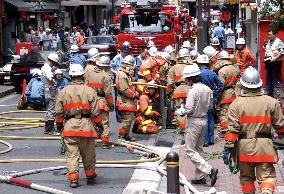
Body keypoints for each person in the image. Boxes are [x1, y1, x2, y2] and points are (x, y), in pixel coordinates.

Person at [224, 67, 284, 194]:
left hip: (244, 148)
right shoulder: (271, 102)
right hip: (265, 148)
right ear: (259, 84)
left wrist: (228, 148)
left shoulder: (236, 104)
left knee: (246, 178)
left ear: (243, 85)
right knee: (267, 177)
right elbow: (281, 127)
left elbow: (233, 131)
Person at [55, 63, 99, 188]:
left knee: (72, 155)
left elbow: (58, 113)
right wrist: (99, 126)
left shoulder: (63, 92)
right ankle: (90, 176)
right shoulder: (90, 91)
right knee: (89, 154)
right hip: (86, 127)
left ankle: (73, 179)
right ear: (83, 76)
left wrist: (59, 127)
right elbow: (95, 113)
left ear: (70, 76)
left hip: (69, 128)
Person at [175, 65, 218, 186]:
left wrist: (180, 111)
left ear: (190, 79)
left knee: (190, 150)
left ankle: (209, 170)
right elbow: (210, 106)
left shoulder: (193, 90)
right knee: (199, 150)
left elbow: (188, 108)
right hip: (204, 120)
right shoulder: (208, 89)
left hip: (194, 121)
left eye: (186, 79)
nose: (185, 81)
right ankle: (200, 177)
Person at [85, 56, 114, 149]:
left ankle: (92, 141)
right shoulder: (106, 76)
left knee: (92, 121)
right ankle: (105, 142)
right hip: (101, 101)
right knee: (104, 122)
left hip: (91, 100)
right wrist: (111, 104)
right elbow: (108, 93)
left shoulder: (90, 73)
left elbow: (85, 86)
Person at [198, 55, 223, 146]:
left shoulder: (198, 73)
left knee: (203, 118)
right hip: (211, 98)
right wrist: (214, 94)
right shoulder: (212, 74)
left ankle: (205, 141)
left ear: (200, 64)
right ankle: (211, 140)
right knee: (211, 118)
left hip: (201, 99)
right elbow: (220, 85)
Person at [215, 50, 239, 136]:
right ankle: (233, 128)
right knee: (232, 112)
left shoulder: (222, 71)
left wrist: (216, 96)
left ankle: (225, 130)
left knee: (224, 112)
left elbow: (220, 85)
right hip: (234, 92)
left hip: (225, 94)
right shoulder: (235, 68)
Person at [115, 55, 138, 141]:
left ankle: (126, 135)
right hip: (125, 101)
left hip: (128, 101)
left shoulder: (125, 74)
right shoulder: (122, 75)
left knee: (129, 119)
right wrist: (134, 95)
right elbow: (125, 90)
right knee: (126, 120)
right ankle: (121, 136)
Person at [41, 53, 59, 135]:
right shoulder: (47, 68)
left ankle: (47, 128)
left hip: (47, 90)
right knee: (52, 109)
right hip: (50, 90)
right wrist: (54, 82)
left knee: (49, 109)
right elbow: (49, 78)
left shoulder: (44, 67)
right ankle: (51, 129)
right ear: (52, 61)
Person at [264, 28, 284, 97]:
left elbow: (282, 52)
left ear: (274, 34)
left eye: (270, 34)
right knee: (268, 79)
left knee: (275, 79)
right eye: (268, 35)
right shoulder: (268, 42)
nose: (269, 36)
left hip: (276, 63)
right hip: (269, 63)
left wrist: (275, 59)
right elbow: (267, 51)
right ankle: (269, 95)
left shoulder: (279, 42)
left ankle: (276, 97)